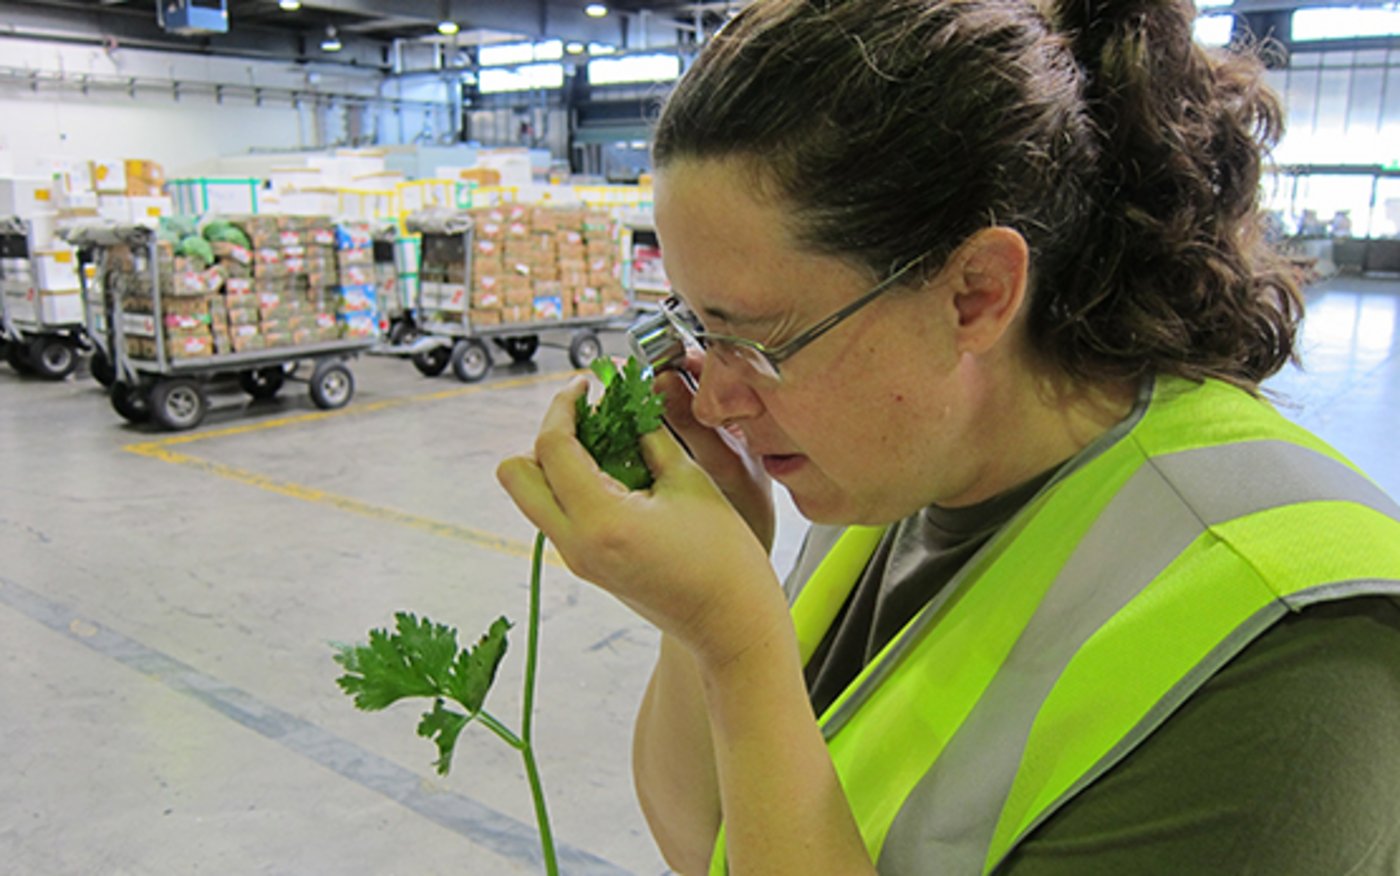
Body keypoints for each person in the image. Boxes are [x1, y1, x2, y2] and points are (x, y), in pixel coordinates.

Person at [497, 1, 1400, 873]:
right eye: (698, 329)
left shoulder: (1299, 652)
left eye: (760, 339)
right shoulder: (900, 469)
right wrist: (707, 620)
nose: (719, 399)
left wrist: (740, 646)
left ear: (975, 292)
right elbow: (710, 844)